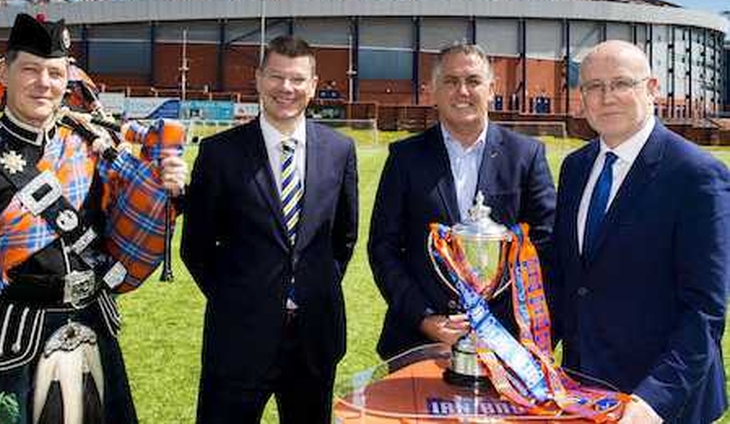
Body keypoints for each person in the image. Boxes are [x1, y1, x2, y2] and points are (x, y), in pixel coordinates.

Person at [0, 13, 187, 423]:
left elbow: (134, 212)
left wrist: (172, 185)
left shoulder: (90, 144)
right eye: (30, 70)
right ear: (5, 72)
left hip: (94, 325)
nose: (43, 83)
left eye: (54, 72)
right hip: (9, 344)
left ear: (67, 79)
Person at [180, 36, 358, 423]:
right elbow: (195, 247)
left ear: (313, 85)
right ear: (259, 79)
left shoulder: (339, 150)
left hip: (313, 338)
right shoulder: (219, 153)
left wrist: (309, 289)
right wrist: (242, 297)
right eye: (276, 76)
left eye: (297, 79)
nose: (286, 88)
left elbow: (343, 240)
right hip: (238, 338)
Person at [552, 40, 730, 423]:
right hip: (582, 387)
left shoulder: (696, 176)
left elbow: (704, 309)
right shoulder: (575, 168)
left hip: (663, 401)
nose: (606, 97)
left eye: (621, 83)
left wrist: (652, 401)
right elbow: (569, 277)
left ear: (652, 89)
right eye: (594, 87)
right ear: (582, 96)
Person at [369, 43, 556, 360]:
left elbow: (546, 244)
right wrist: (425, 318)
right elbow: (383, 248)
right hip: (421, 340)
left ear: (492, 89)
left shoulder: (526, 155)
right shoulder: (405, 157)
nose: (462, 91)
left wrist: (499, 325)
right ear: (434, 91)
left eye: (473, 81)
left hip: (509, 343)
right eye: (451, 81)